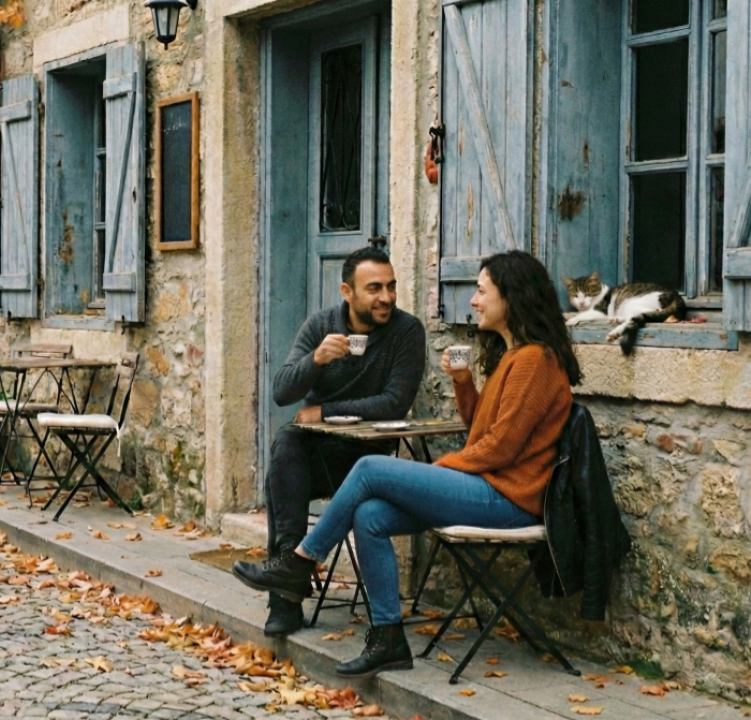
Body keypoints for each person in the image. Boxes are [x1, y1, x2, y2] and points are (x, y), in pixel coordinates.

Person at [234, 250, 582, 678]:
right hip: (488, 487)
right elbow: (482, 431)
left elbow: (499, 452)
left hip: (509, 499)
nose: (473, 301)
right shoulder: (513, 357)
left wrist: (437, 473)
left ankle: (300, 563)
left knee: (369, 471)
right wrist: (464, 384)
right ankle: (389, 639)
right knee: (370, 513)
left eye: (481, 291)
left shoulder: (533, 360)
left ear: (512, 299)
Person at [259, 242, 427, 636]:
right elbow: (282, 392)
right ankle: (288, 572)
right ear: (347, 292)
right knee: (287, 445)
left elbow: (394, 402)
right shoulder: (321, 326)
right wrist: (315, 360)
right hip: (320, 458)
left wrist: (326, 411)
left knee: (282, 474)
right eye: (374, 289)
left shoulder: (406, 331)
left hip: (368, 460)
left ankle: (286, 587)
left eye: (391, 286)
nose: (386, 297)